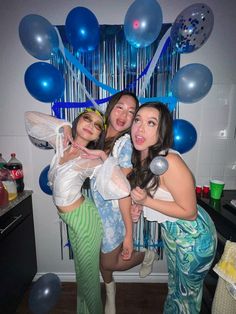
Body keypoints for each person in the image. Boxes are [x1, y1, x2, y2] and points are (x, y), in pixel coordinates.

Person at [25, 108, 131, 314]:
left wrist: (102, 156)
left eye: (97, 126)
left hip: (84, 221)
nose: (91, 125)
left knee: (89, 279)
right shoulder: (60, 142)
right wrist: (63, 126)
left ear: (99, 135)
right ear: (77, 121)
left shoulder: (91, 161)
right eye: (87, 119)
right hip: (71, 219)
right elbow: (29, 117)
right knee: (81, 274)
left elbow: (124, 188)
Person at [128, 102, 217, 314]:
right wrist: (139, 207)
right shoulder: (143, 155)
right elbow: (158, 193)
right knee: (176, 290)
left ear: (161, 132)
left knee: (187, 299)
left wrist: (146, 202)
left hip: (194, 238)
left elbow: (189, 211)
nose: (140, 128)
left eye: (151, 123)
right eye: (137, 120)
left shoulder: (171, 161)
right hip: (174, 235)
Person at [83, 91, 156, 314]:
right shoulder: (99, 135)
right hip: (94, 211)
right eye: (120, 107)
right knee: (100, 261)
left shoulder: (124, 143)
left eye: (131, 112)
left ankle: (146, 255)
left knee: (108, 263)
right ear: (111, 107)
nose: (124, 115)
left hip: (113, 215)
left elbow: (121, 189)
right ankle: (110, 295)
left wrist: (128, 234)